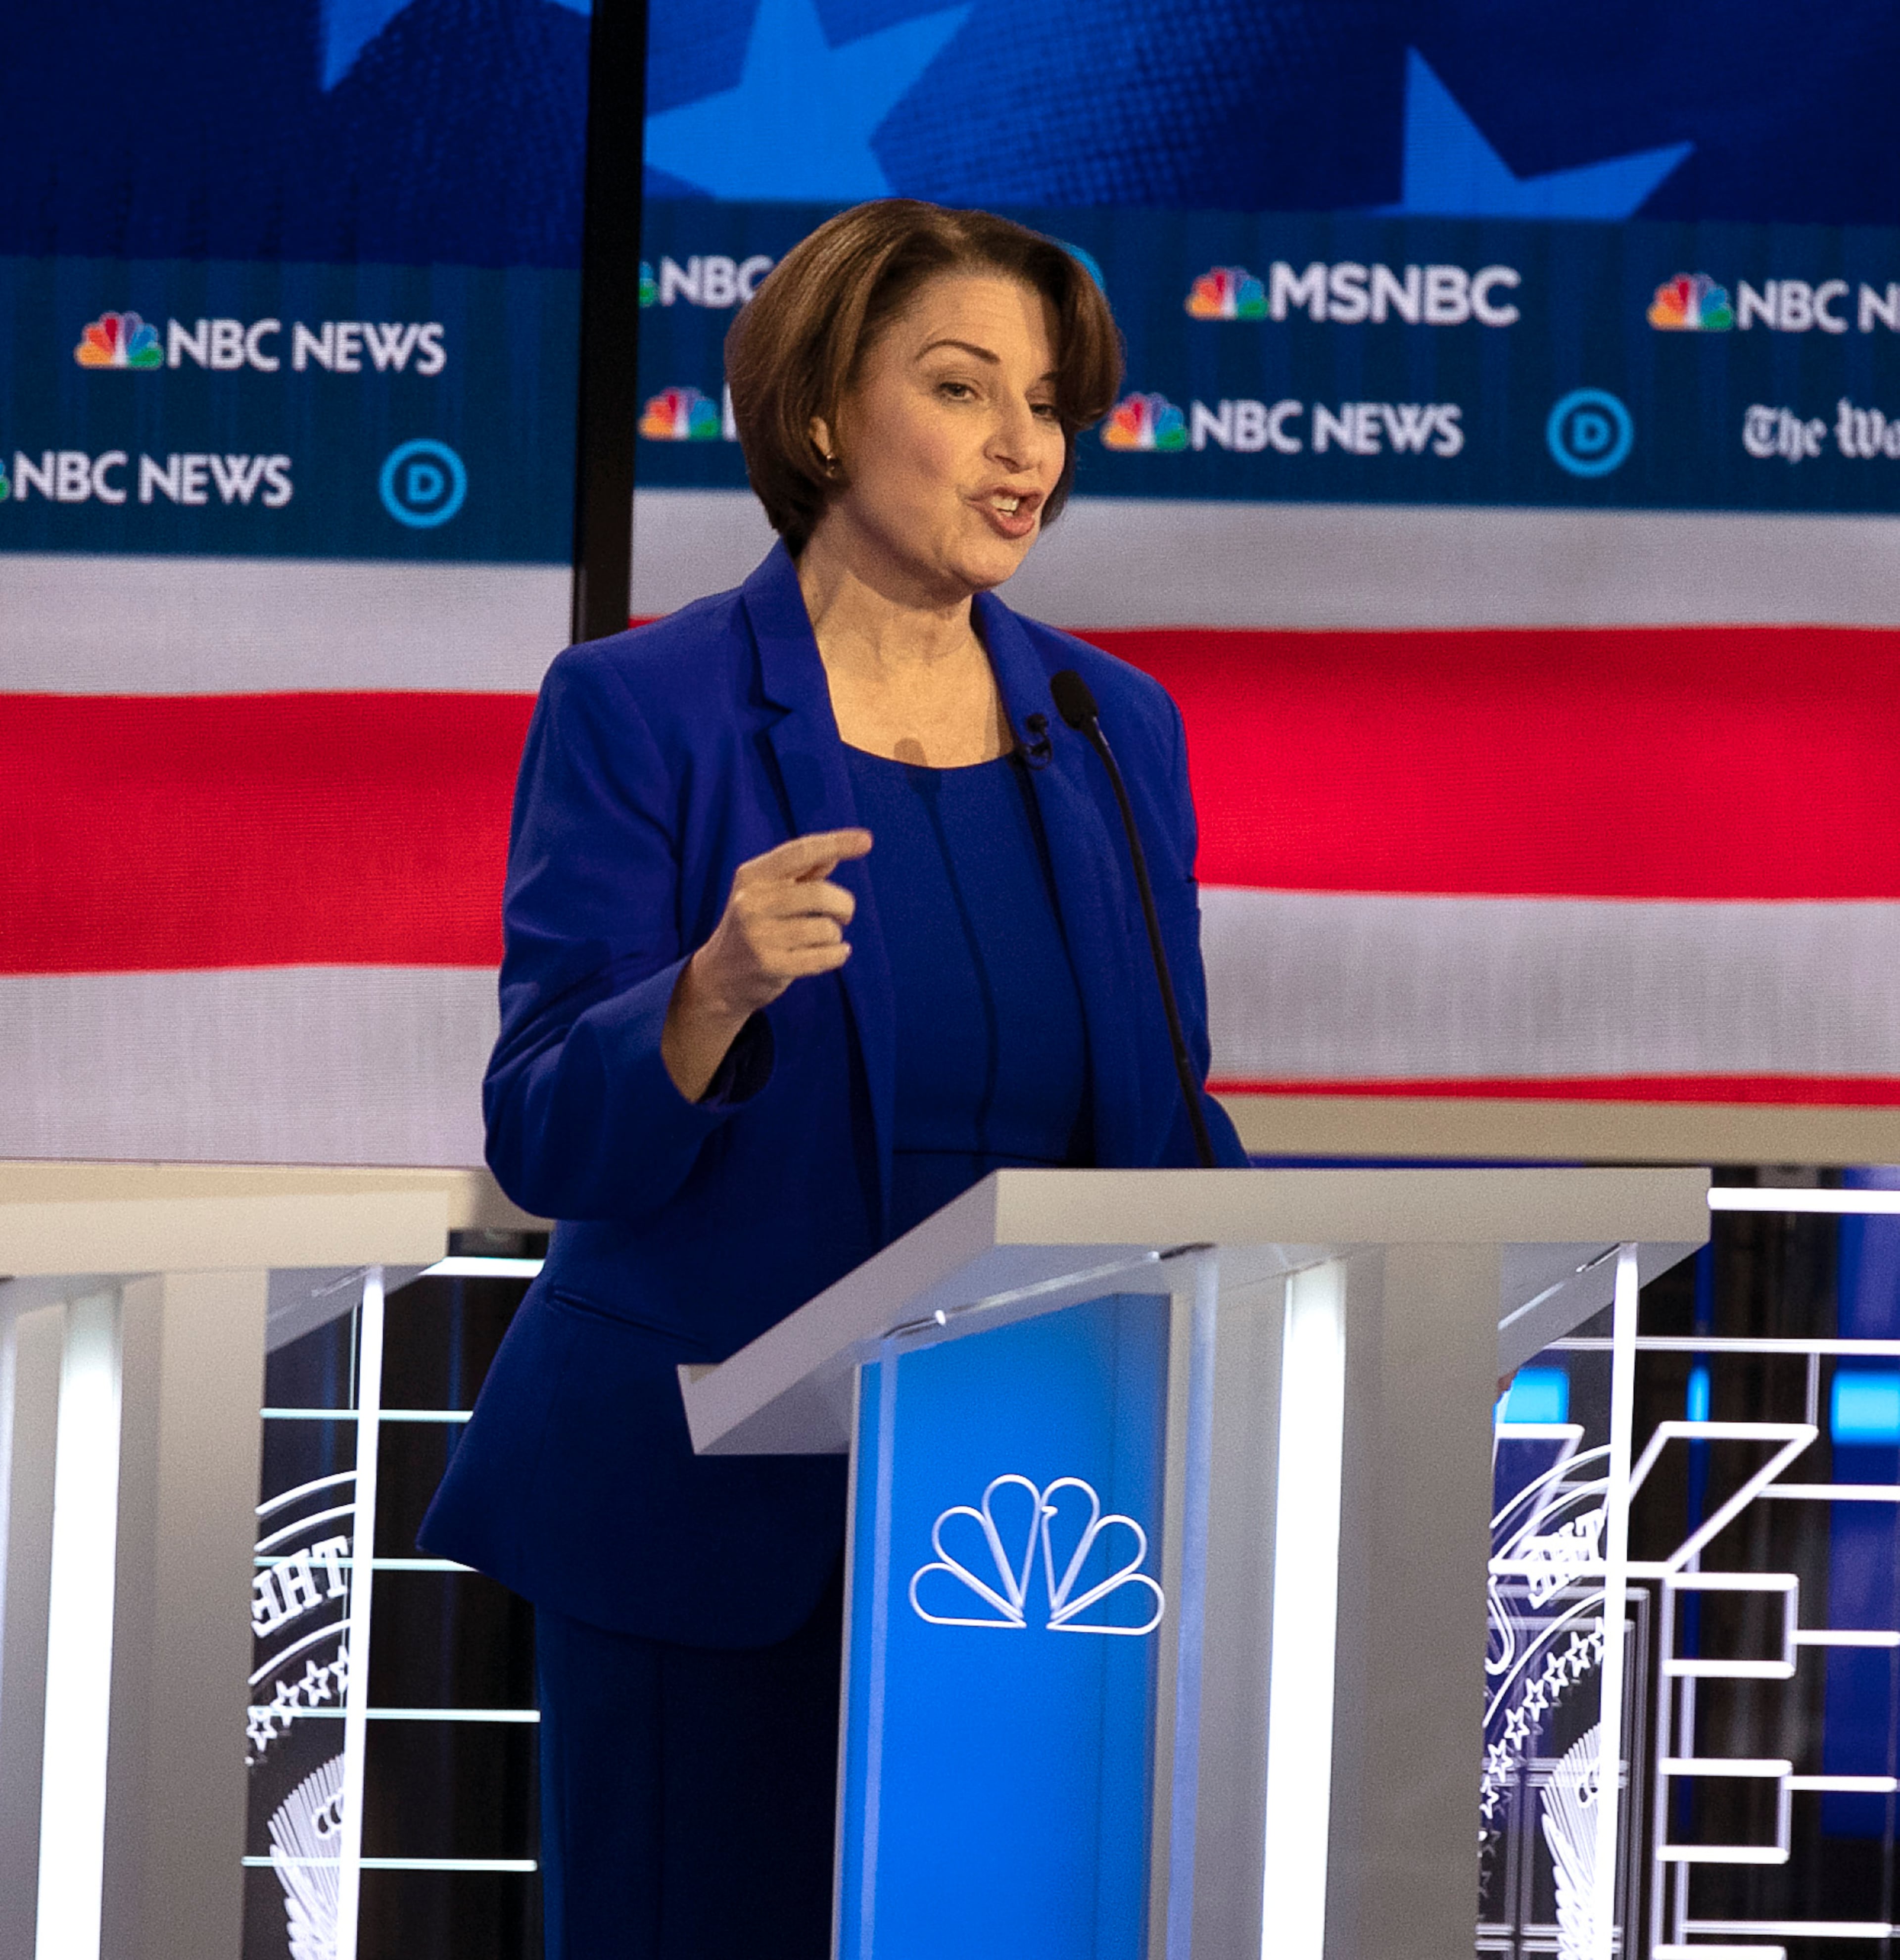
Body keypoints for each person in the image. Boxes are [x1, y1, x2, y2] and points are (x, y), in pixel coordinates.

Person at [419, 198, 1246, 1960]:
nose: (1026, 446)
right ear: (818, 418)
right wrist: (707, 991)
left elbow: (1173, 1125)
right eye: (966, 389)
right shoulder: (647, 708)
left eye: (1051, 403)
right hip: (702, 1528)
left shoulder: (1113, 729)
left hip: (1037, 1541)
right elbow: (543, 1124)